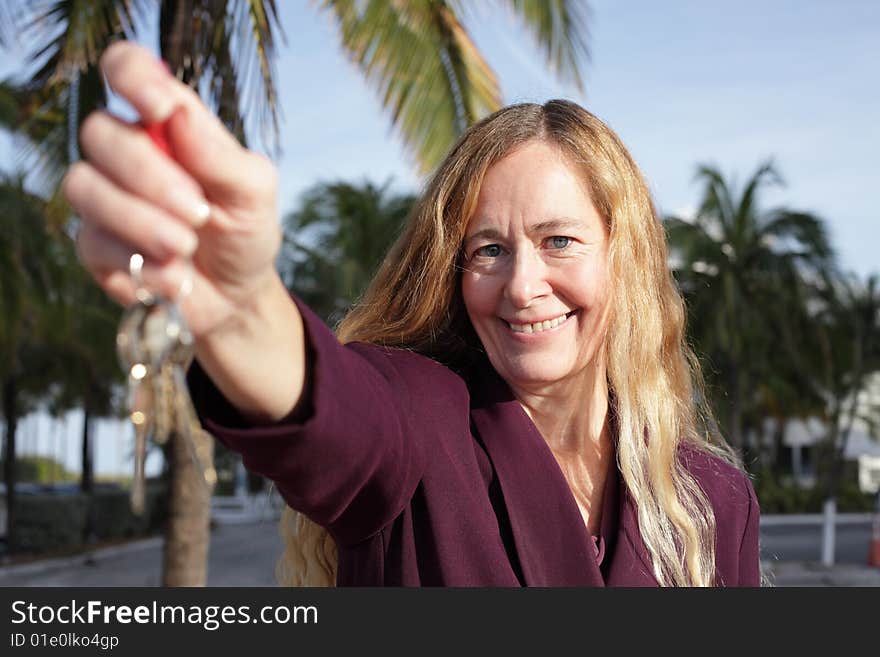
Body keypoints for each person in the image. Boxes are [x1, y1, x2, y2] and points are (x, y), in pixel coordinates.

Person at [65, 41, 761, 587]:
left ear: (624, 259)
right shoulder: (419, 424)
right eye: (489, 249)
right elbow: (330, 405)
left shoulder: (711, 499)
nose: (522, 285)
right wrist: (240, 307)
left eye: (559, 242)